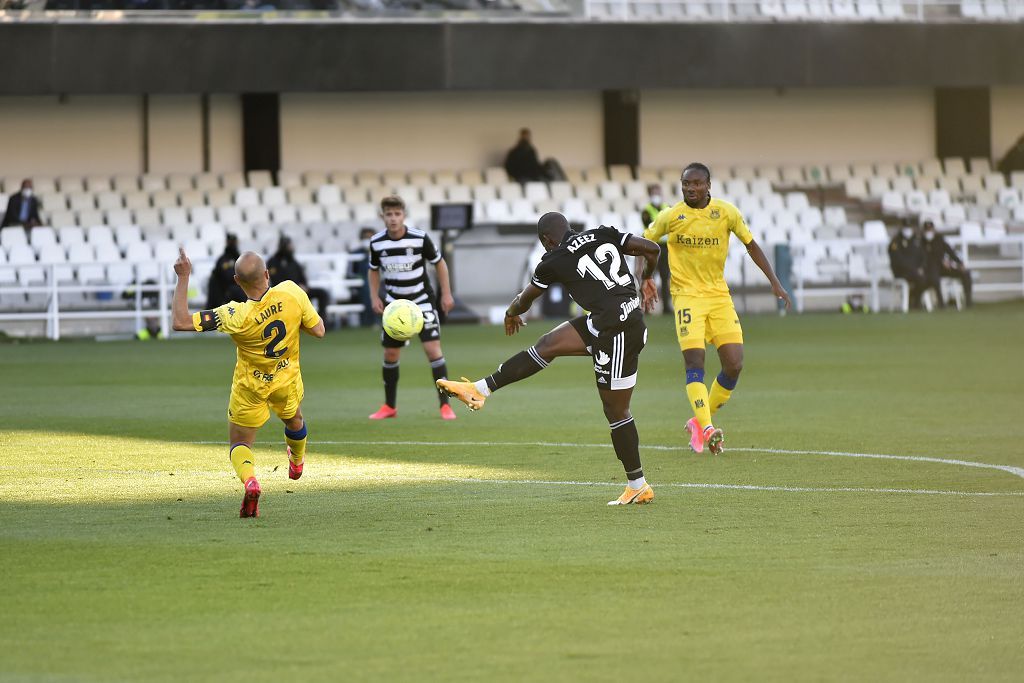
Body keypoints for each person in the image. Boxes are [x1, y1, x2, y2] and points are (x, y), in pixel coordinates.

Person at [437, 212, 663, 506]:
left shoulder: (554, 259)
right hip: (610, 319)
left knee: (616, 411)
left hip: (618, 332)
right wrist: (646, 278)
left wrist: (510, 312)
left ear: (546, 240)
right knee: (549, 344)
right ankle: (479, 389)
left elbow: (527, 298)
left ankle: (638, 485)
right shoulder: (602, 233)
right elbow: (653, 249)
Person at [642, 162, 791, 456]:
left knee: (734, 364)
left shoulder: (726, 213)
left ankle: (699, 421)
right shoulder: (671, 216)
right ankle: (708, 428)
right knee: (695, 363)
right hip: (686, 297)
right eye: (686, 184)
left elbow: (751, 245)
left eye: (696, 184)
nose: (690, 189)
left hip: (719, 297)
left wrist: (775, 282)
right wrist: (646, 277)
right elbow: (646, 244)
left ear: (708, 185)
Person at [171, 247, 326, 518]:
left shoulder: (234, 315)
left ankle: (251, 481)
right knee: (294, 420)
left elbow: (180, 322)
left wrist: (183, 276)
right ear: (267, 274)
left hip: (250, 387)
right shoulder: (292, 291)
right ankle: (297, 461)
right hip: (285, 378)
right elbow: (319, 330)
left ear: (236, 282)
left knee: (240, 444)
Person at [367, 195, 457, 421]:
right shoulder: (377, 242)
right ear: (382, 216)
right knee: (390, 353)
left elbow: (439, 263)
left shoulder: (419, 238)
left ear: (404, 215)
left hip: (421, 303)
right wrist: (374, 297)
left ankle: (445, 406)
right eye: (389, 214)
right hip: (394, 307)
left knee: (433, 351)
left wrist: (446, 294)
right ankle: (389, 406)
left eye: (397, 214)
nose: (393, 218)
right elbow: (373, 269)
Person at [266, 235, 331, 321]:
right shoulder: (273, 262)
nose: (291, 248)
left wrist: (304, 286)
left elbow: (302, 276)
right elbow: (276, 281)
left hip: (300, 291)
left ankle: (320, 321)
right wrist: (295, 288)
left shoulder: (292, 261)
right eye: (289, 246)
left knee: (323, 293)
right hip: (284, 294)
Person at [920, 220, 973, 308]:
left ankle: (968, 302)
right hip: (930, 270)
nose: (929, 232)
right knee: (934, 279)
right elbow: (925, 258)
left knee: (965, 273)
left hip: (942, 268)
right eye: (927, 230)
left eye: (930, 230)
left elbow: (950, 252)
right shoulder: (920, 242)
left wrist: (959, 263)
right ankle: (941, 304)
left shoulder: (939, 239)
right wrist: (942, 261)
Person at [641, 182, 672, 314]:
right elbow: (650, 227)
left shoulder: (668, 208)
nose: (657, 195)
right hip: (652, 247)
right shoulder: (646, 211)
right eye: (654, 193)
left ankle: (666, 307)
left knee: (665, 278)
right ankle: (646, 308)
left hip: (665, 248)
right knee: (649, 277)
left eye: (658, 192)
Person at [888, 221, 927, 310]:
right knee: (919, 278)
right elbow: (897, 260)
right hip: (901, 272)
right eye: (906, 228)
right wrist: (913, 269)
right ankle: (913, 301)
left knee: (925, 279)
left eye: (909, 227)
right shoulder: (896, 242)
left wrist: (921, 267)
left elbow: (923, 257)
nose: (908, 230)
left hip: (915, 272)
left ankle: (915, 300)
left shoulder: (916, 241)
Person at [206, 233, 245, 309]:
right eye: (231, 241)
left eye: (234, 241)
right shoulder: (222, 260)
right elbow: (228, 277)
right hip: (224, 295)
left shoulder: (240, 258)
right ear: (227, 242)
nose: (233, 243)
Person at [348, 227, 377, 327]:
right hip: (361, 284)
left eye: (370, 237)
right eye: (366, 237)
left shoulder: (379, 252)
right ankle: (369, 322)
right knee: (367, 286)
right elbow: (350, 273)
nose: (368, 240)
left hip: (379, 282)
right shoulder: (354, 254)